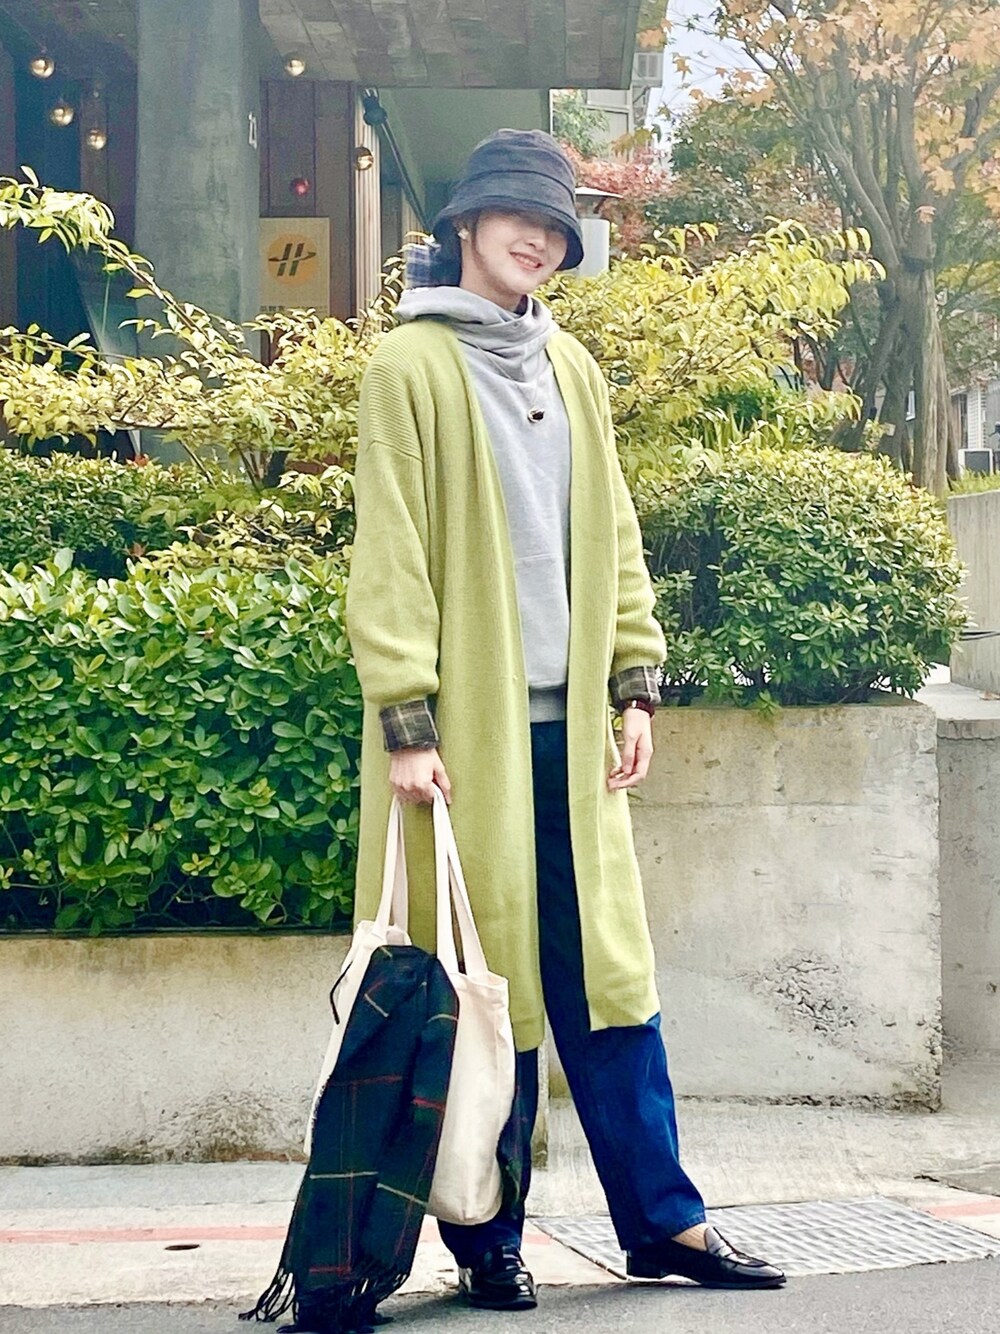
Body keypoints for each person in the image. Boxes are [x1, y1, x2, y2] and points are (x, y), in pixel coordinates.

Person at [345, 128, 785, 1312]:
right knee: (489, 988)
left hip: (573, 731)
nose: (536, 239)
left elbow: (615, 531)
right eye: (515, 217)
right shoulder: (410, 365)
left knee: (610, 978)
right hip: (466, 741)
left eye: (552, 225)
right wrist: (407, 720)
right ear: (464, 224)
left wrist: (635, 681)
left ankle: (666, 1218)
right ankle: (487, 1237)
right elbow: (390, 550)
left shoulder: (571, 365)